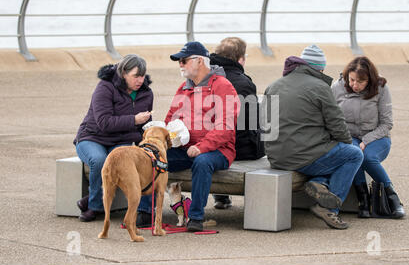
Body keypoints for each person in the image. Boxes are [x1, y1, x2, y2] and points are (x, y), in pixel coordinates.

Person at [137, 41, 240, 232]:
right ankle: (145, 211)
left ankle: (196, 217)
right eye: (179, 61)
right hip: (184, 148)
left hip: (219, 150)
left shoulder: (223, 86)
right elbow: (170, 119)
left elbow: (225, 128)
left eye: (183, 60)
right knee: (151, 158)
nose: (180, 64)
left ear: (199, 61)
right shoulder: (184, 88)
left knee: (202, 162)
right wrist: (163, 138)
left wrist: (202, 146)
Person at [263, 45, 364, 230]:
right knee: (352, 154)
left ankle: (318, 184)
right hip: (304, 156)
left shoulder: (274, 85)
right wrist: (346, 143)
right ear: (320, 68)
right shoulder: (319, 87)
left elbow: (264, 125)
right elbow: (337, 124)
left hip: (276, 157)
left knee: (326, 154)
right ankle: (330, 209)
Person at [73, 54, 154, 222]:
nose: (140, 80)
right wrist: (133, 120)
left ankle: (89, 200)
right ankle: (95, 207)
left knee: (124, 163)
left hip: (121, 139)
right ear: (123, 73)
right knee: (99, 160)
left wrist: (147, 145)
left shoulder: (146, 93)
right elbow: (104, 122)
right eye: (135, 76)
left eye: (142, 76)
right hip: (92, 137)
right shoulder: (105, 87)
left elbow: (144, 126)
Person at [331, 56, 405, 218]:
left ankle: (393, 198)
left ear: (369, 80)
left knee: (367, 157)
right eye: (351, 80)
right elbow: (331, 117)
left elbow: (387, 124)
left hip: (378, 137)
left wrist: (366, 140)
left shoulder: (381, 88)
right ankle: (363, 201)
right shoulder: (337, 87)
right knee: (354, 153)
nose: (355, 85)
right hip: (348, 136)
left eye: (360, 82)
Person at [210, 37, 265, 209]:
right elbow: (248, 124)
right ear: (240, 58)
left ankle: (221, 196)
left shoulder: (205, 77)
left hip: (210, 146)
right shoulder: (243, 83)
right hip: (239, 150)